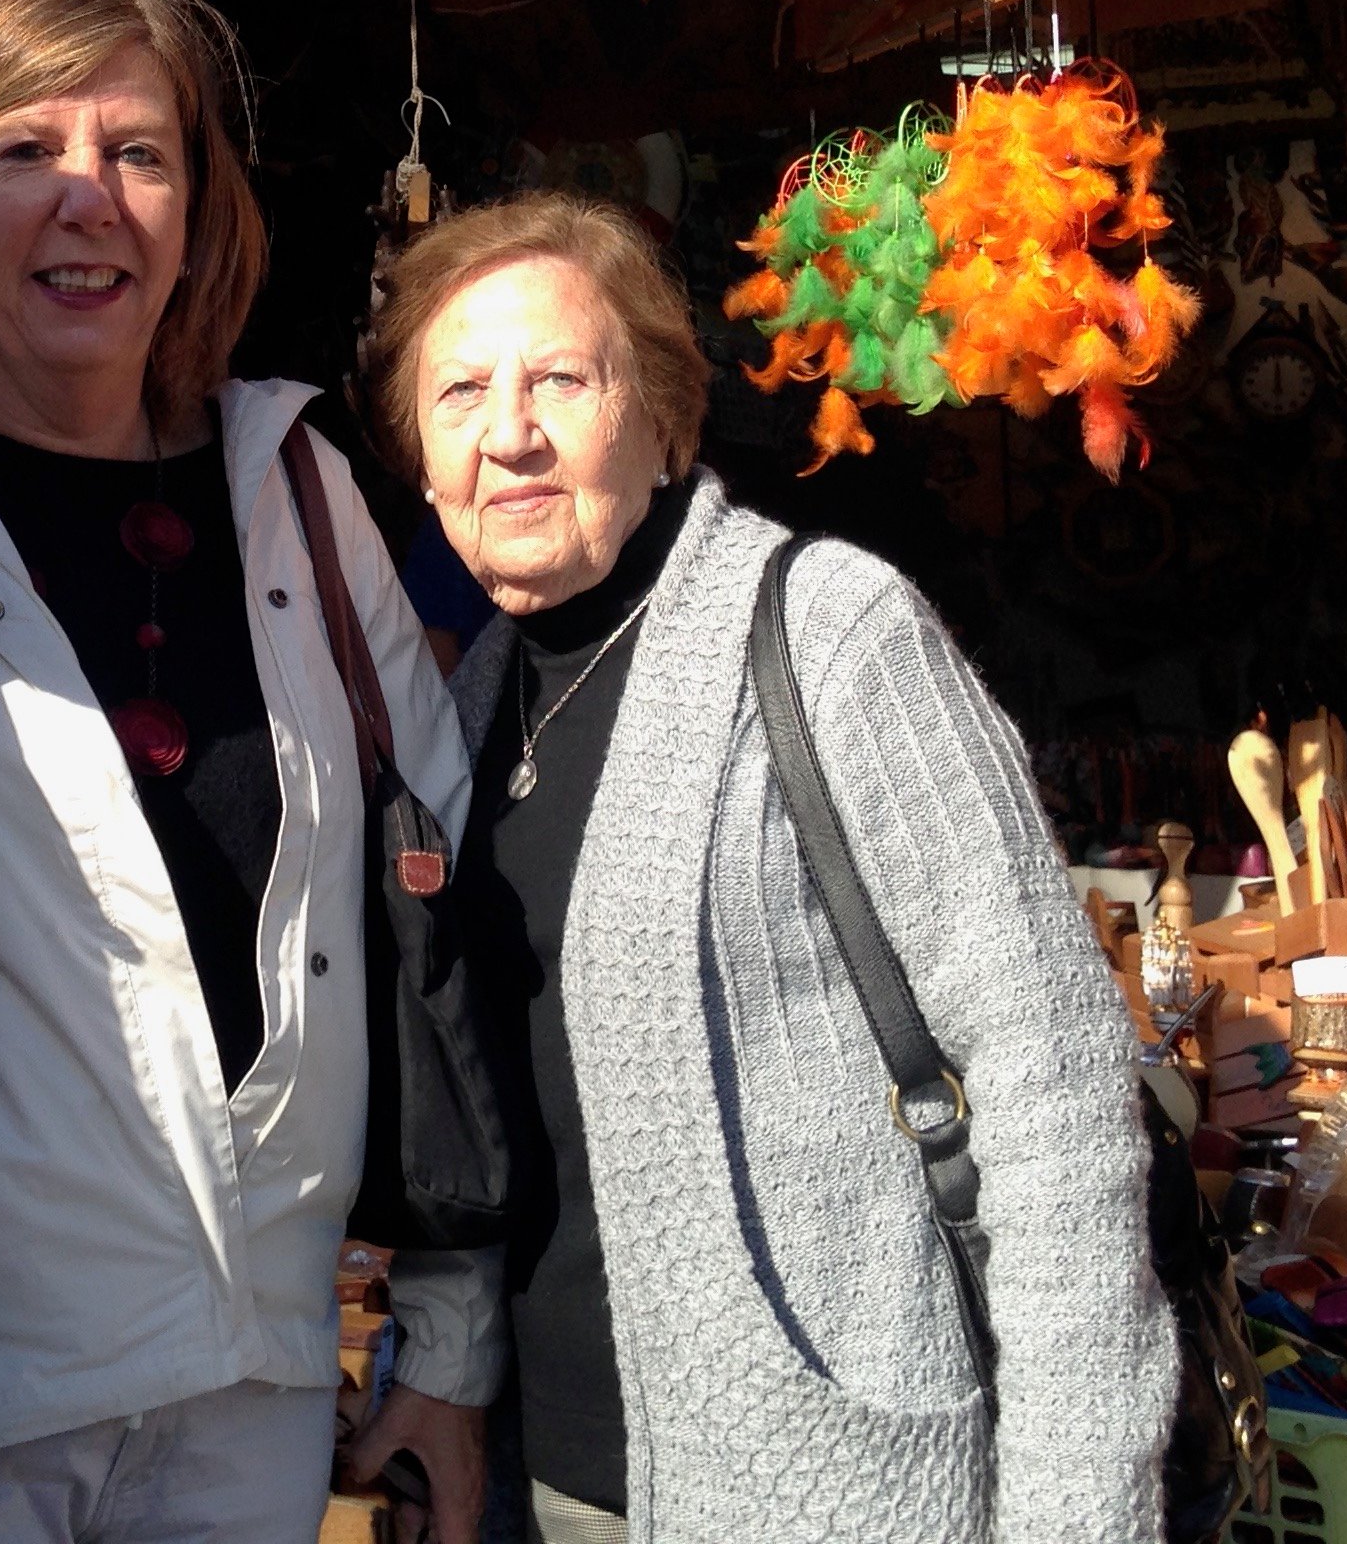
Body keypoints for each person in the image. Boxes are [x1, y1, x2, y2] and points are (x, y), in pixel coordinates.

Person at [0, 0, 498, 1544]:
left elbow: (445, 912)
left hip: (256, 1386)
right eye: (25, 152)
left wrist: (452, 1339)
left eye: (141, 154)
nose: (90, 199)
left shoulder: (299, 488)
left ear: (202, 215)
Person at [356, 193, 1174, 1544]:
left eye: (563, 377)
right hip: (540, 1483)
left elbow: (1054, 1086)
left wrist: (1078, 1512)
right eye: (460, 393)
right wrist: (442, 1374)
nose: (509, 433)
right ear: (423, 459)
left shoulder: (830, 634)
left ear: (666, 415)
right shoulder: (468, 709)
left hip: (824, 1489)